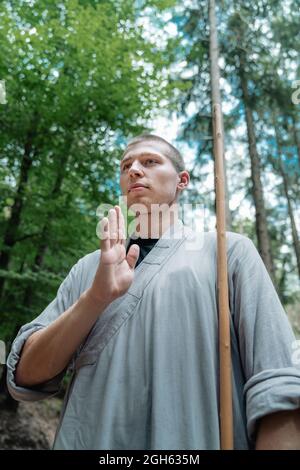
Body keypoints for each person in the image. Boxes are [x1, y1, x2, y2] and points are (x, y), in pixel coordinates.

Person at [6, 134, 300, 450]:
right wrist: (95, 298)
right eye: (125, 166)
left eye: (150, 162)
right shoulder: (88, 269)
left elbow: (276, 384)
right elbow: (25, 374)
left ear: (182, 180)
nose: (133, 170)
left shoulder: (227, 252)